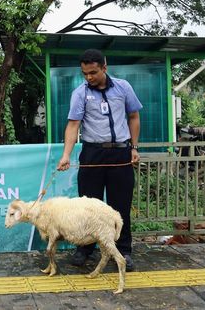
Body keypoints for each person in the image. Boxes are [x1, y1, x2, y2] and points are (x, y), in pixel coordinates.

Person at [56, 49, 142, 271]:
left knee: (120, 206)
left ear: (105, 67)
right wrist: (66, 155)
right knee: (88, 207)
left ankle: (123, 251)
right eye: (85, 73)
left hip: (120, 153)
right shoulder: (80, 93)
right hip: (92, 154)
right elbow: (73, 125)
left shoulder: (123, 88)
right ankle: (86, 249)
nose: (89, 77)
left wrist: (134, 147)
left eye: (93, 72)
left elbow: (133, 116)